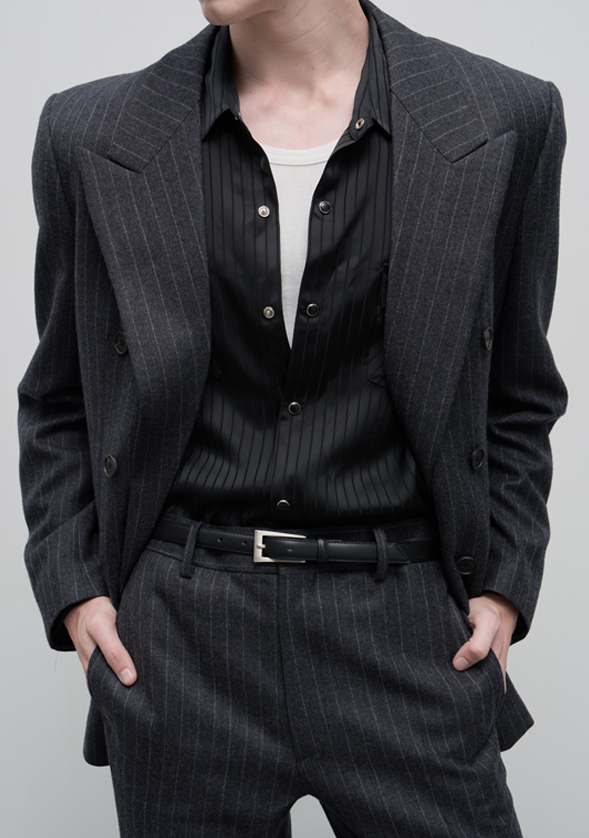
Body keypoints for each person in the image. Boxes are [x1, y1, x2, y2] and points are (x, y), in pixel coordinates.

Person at [18, 0, 567, 835]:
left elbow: (518, 392)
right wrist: (75, 591)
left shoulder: (504, 116)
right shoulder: (90, 131)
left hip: (405, 626)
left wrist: (504, 585)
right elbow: (59, 397)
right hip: (182, 641)